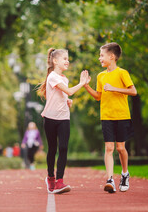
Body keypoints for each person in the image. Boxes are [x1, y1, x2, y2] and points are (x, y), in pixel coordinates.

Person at [83, 42, 137, 193]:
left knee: (120, 148)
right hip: (106, 116)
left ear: (112, 56)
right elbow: (98, 97)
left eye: (102, 55)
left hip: (121, 115)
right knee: (109, 147)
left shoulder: (122, 73)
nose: (99, 58)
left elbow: (133, 91)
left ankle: (125, 174)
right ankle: (110, 180)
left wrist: (114, 88)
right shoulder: (100, 76)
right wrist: (86, 86)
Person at [38, 48, 88, 194]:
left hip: (64, 118)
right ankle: (50, 177)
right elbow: (69, 91)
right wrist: (82, 83)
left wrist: (68, 101)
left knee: (64, 148)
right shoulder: (52, 77)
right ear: (55, 61)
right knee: (52, 149)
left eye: (68, 59)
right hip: (50, 118)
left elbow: (65, 95)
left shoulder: (64, 78)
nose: (67, 61)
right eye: (64, 59)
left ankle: (60, 181)